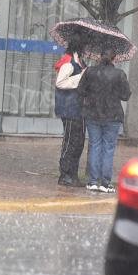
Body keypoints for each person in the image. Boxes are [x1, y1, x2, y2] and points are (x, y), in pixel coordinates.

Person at [78, 48, 132, 193]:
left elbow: (81, 91)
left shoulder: (89, 72)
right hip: (113, 116)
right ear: (114, 59)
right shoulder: (119, 74)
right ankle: (105, 183)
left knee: (95, 145)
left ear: (99, 57)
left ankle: (93, 181)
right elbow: (126, 95)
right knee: (108, 149)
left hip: (93, 114)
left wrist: (93, 92)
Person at [54, 41, 87, 187]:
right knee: (70, 142)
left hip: (79, 108)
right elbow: (60, 83)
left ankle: (72, 174)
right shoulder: (68, 62)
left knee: (78, 142)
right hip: (69, 108)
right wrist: (80, 77)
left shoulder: (80, 62)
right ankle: (65, 174)